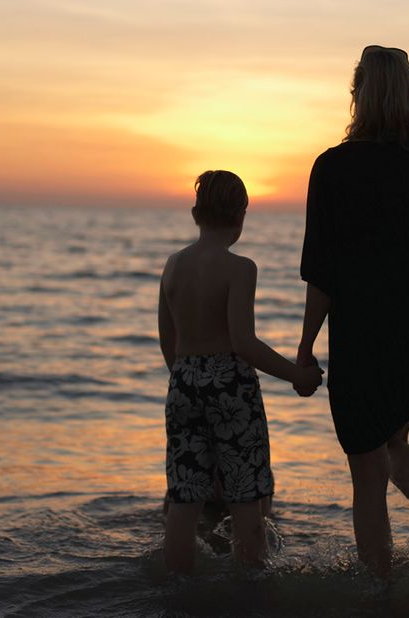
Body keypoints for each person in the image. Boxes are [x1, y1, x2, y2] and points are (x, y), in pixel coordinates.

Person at [296, 45, 409, 582]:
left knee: (366, 470)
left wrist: (306, 348)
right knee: (393, 441)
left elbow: (321, 274)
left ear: (358, 95)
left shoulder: (332, 168)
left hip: (360, 337)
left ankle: (377, 594)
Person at [158, 170, 324, 574]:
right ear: (241, 215)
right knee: (246, 496)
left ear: (196, 214)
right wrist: (296, 376)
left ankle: (175, 588)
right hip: (230, 386)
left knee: (184, 497)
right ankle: (250, 590)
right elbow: (243, 342)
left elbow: (168, 340)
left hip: (182, 381)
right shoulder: (240, 268)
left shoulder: (173, 265)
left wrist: (188, 380)